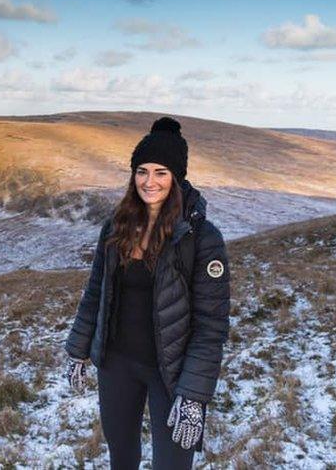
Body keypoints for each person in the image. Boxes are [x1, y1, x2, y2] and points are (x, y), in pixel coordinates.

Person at [63, 117, 231, 470]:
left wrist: (194, 394)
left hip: (170, 373)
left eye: (160, 172)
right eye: (142, 171)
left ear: (177, 177)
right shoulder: (117, 225)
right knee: (121, 458)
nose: (149, 181)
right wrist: (78, 349)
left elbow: (210, 325)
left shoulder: (201, 238)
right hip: (117, 364)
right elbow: (96, 291)